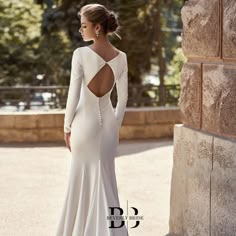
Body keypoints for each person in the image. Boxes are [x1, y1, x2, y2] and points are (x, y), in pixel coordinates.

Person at [55, 3, 129, 236]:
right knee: (106, 180)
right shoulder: (121, 57)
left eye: (84, 25)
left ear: (97, 27)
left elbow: (73, 95)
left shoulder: (81, 54)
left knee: (80, 180)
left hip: (83, 127)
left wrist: (67, 127)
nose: (81, 30)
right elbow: (123, 99)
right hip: (108, 127)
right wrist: (114, 127)